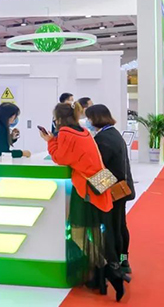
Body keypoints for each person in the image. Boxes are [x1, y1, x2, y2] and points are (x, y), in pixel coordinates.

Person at [40, 102, 127, 302]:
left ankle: (108, 271)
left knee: (79, 233)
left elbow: (61, 158)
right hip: (98, 186)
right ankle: (105, 273)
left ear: (58, 119)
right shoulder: (84, 132)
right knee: (94, 233)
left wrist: (50, 141)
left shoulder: (65, 134)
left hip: (86, 189)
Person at [85, 104, 136, 275]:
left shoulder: (103, 139)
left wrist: (91, 186)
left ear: (95, 118)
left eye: (89, 118)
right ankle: (123, 259)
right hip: (122, 187)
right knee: (120, 225)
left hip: (113, 189)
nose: (87, 121)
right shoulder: (113, 134)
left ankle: (115, 263)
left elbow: (101, 167)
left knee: (113, 227)